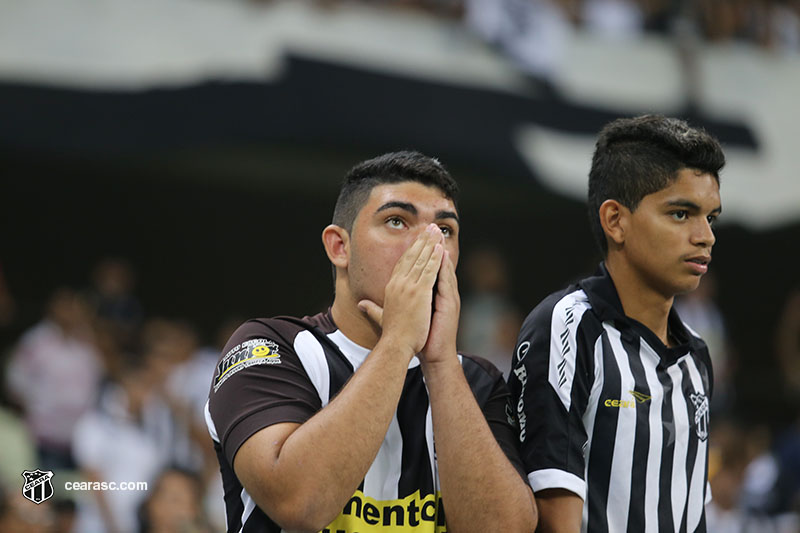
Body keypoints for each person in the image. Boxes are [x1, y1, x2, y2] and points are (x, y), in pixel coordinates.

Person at [205, 151, 537, 533]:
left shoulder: (479, 382)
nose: (429, 245)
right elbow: (299, 502)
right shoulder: (268, 348)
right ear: (339, 248)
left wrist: (440, 362)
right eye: (397, 221)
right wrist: (397, 342)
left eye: (444, 229)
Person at [509, 114, 725, 532]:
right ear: (615, 221)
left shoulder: (696, 355)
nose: (705, 236)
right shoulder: (569, 326)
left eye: (711, 218)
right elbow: (555, 520)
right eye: (681, 214)